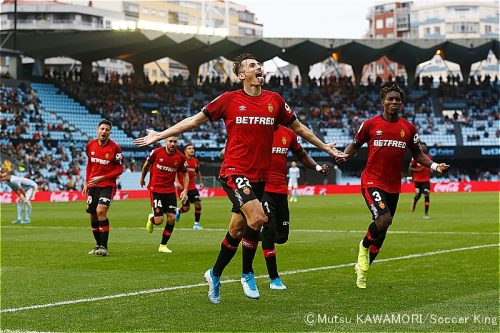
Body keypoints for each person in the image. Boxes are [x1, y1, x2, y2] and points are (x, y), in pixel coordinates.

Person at [134, 53, 346, 304]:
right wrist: (159, 135)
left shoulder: (275, 101)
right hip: (234, 171)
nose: (259, 68)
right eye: (252, 66)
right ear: (241, 75)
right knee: (258, 217)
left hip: (259, 176)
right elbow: (193, 121)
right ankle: (247, 273)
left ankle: (214, 274)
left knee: (236, 229)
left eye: (259, 65)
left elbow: (299, 128)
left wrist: (326, 148)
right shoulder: (228, 100)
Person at [336, 83, 449, 289]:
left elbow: (417, 154)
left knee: (382, 233)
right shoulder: (370, 124)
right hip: (371, 181)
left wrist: (433, 165)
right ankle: (363, 245)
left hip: (393, 186)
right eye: (390, 99)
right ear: (383, 102)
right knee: (383, 218)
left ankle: (362, 269)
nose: (394, 102)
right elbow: (355, 144)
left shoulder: (408, 128)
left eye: (398, 99)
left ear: (401, 103)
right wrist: (344, 155)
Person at [261, 125, 329, 290]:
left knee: (282, 236)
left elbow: (301, 154)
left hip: (281, 190)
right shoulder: (259, 130)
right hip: (263, 189)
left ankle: (252, 235)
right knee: (269, 229)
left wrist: (318, 167)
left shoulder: (288, 134)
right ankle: (274, 278)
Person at [140, 136, 189, 253]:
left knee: (172, 218)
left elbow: (185, 174)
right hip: (156, 189)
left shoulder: (181, 157)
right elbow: (146, 165)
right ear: (165, 142)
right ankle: (152, 218)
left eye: (175, 142)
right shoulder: (156, 152)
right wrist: (142, 178)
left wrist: (185, 190)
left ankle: (163, 245)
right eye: (170, 141)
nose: (172, 144)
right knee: (159, 221)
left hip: (170, 191)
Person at [82, 120, 123, 257]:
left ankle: (104, 247)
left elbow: (120, 168)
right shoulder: (90, 145)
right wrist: (86, 182)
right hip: (93, 185)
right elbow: (89, 164)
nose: (104, 131)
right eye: (102, 129)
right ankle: (98, 245)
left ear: (110, 132)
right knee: (93, 214)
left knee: (101, 211)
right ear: (97, 130)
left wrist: (103, 177)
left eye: (107, 129)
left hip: (107, 185)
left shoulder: (115, 148)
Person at [174, 143, 204, 230]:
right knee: (186, 208)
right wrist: (176, 182)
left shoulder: (195, 161)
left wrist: (200, 182)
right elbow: (175, 170)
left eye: (193, 148)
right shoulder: (181, 160)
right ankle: (178, 211)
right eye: (189, 148)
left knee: (198, 203)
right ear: (185, 151)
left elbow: (198, 172)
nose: (192, 150)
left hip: (192, 187)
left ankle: (196, 224)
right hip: (182, 188)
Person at [408, 143, 432, 219]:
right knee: (418, 195)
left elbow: (431, 166)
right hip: (417, 180)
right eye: (421, 147)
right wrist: (417, 171)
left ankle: (426, 214)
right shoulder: (415, 157)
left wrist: (431, 169)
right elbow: (410, 168)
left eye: (424, 147)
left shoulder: (429, 157)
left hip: (426, 180)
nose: (423, 148)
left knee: (426, 195)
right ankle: (414, 202)